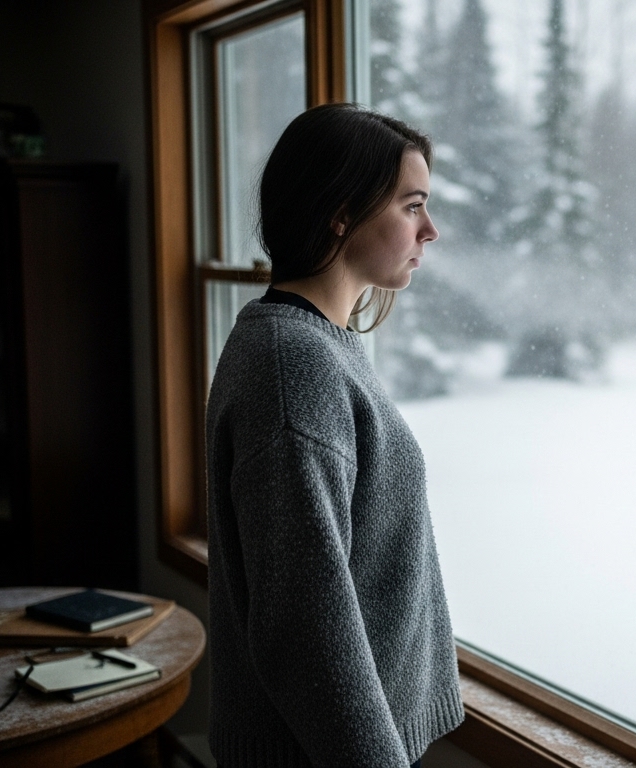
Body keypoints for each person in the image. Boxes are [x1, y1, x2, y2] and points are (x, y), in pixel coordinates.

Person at [204, 103, 460, 768]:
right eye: (411, 206)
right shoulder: (295, 369)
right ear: (340, 212)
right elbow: (306, 630)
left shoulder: (313, 343)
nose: (430, 229)